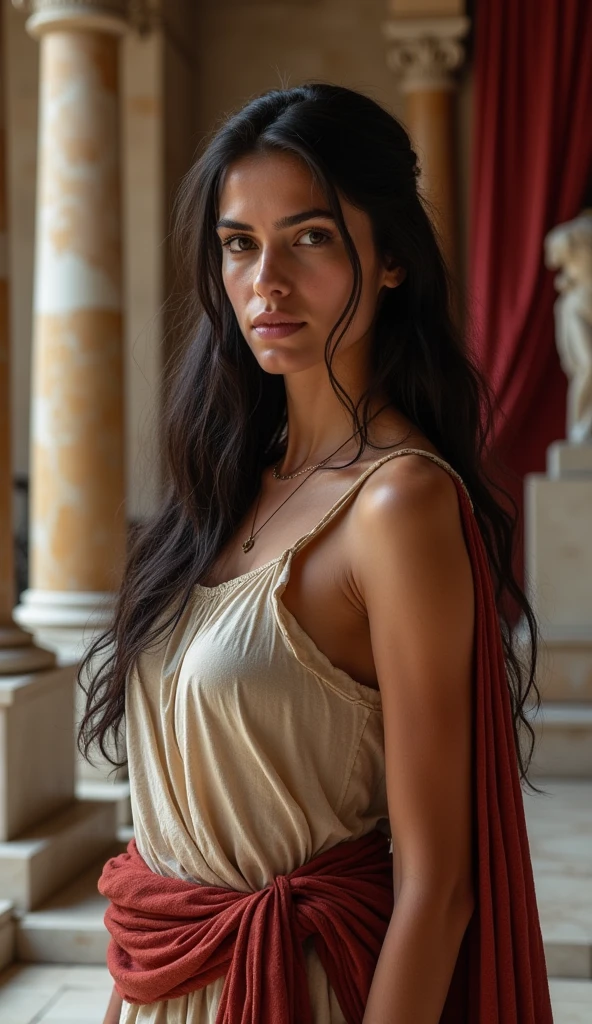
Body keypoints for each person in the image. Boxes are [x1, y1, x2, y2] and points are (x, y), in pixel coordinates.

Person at [80, 83, 552, 1024]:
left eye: (311, 237)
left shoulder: (399, 507)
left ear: (390, 263)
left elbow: (439, 886)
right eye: (239, 244)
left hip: (299, 993)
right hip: (160, 988)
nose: (267, 282)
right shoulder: (217, 494)